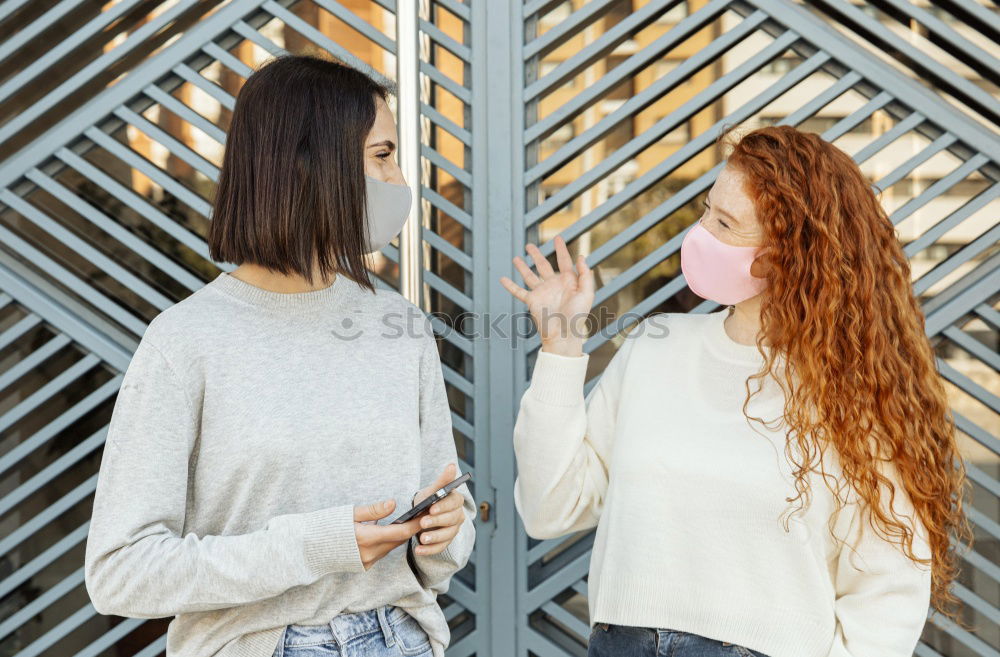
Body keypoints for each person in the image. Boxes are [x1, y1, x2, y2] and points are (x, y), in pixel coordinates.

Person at [500, 124, 971, 657]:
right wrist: (560, 348)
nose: (699, 233)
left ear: (787, 255)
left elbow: (887, 592)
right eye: (706, 211)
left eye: (724, 224)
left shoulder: (850, 394)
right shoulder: (654, 351)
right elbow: (547, 510)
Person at [84, 54, 476, 657]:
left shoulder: (400, 326)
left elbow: (446, 527)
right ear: (304, 165)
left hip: (402, 637)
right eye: (381, 156)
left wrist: (445, 533)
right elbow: (121, 572)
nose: (399, 180)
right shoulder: (186, 341)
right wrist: (310, 546)